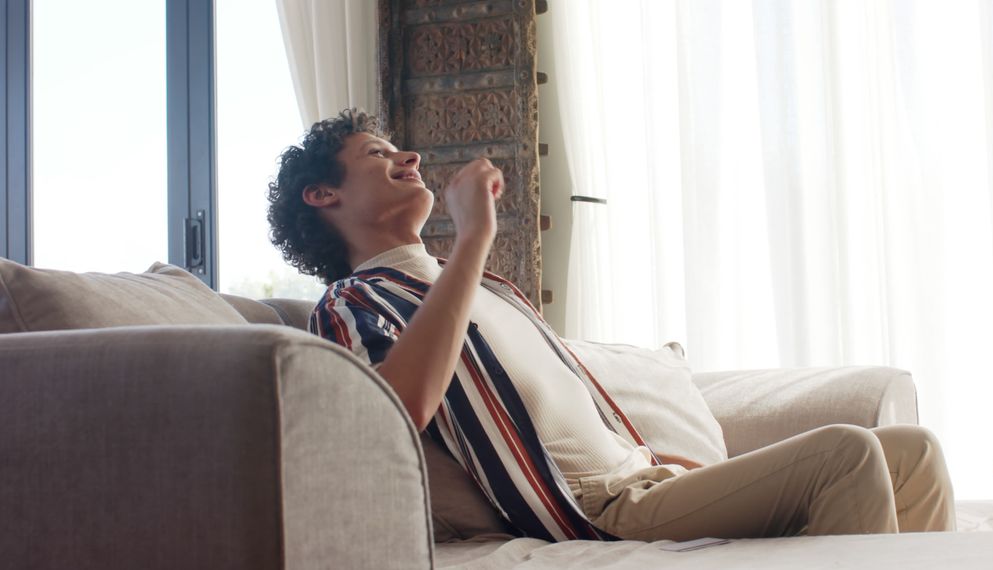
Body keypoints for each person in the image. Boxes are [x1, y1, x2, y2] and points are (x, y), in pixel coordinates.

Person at [268, 109, 956, 542]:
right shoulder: (354, 302)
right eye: (378, 155)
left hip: (646, 482)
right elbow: (396, 411)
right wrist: (475, 235)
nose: (408, 158)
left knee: (912, 450)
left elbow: (567, 408)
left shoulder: (486, 291)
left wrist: (654, 458)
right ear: (322, 195)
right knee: (845, 454)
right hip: (597, 509)